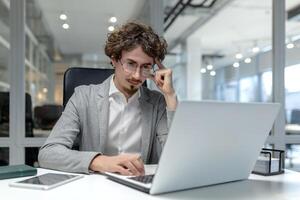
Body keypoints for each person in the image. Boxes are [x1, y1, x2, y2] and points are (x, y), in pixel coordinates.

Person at [38, 22, 177, 176]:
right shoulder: (84, 96)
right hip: (96, 187)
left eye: (146, 67)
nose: (137, 76)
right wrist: (100, 162)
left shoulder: (157, 102)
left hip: (139, 186)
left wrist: (170, 96)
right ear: (114, 59)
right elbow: (48, 153)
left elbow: (177, 156)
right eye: (130, 64)